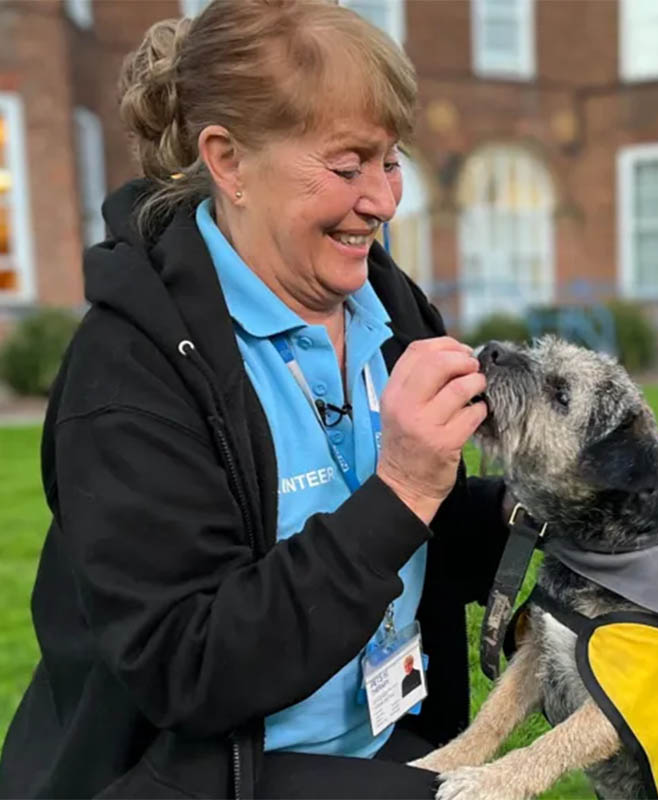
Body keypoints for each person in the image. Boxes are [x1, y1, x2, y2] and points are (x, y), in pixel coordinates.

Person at [0, 1, 511, 797]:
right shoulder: (131, 371)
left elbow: (426, 533)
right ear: (229, 162)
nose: (383, 200)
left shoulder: (387, 306)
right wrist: (401, 489)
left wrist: (554, 517)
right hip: (207, 772)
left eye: (391, 160)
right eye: (348, 165)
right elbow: (189, 666)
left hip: (384, 735)